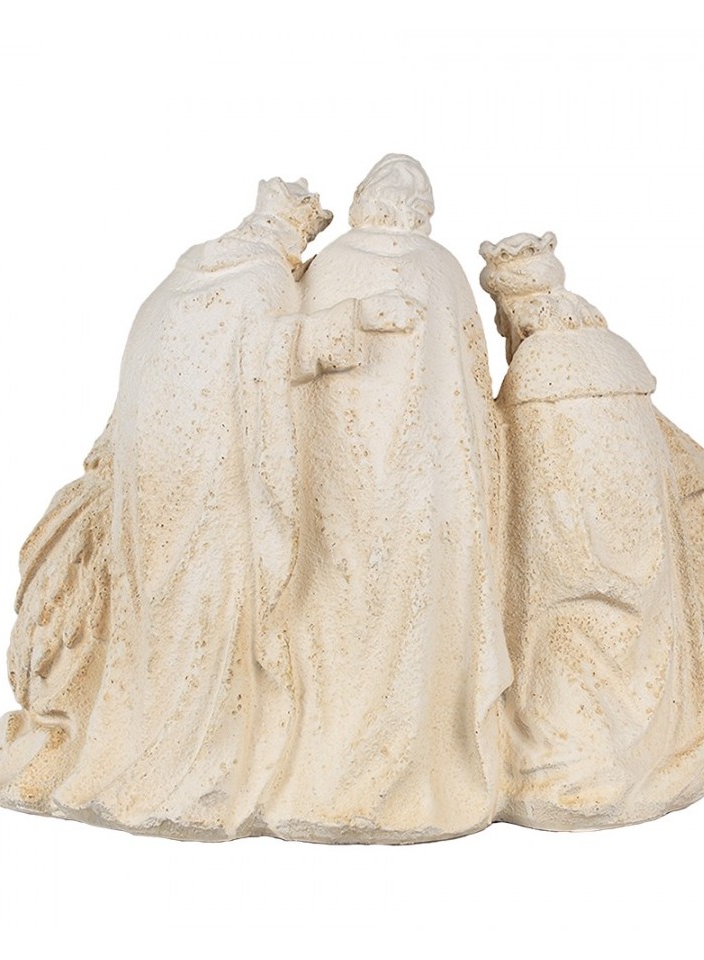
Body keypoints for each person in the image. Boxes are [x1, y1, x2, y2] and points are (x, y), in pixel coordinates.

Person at [0, 178, 373, 837]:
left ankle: (141, 748)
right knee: (209, 622)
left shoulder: (183, 279)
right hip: (214, 486)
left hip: (151, 479)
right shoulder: (262, 283)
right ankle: (193, 771)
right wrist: (331, 333)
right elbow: (258, 365)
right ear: (294, 237)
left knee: (157, 615)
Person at [259, 155, 512, 842]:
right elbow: (474, 379)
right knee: (410, 608)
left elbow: (288, 366)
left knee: (347, 606)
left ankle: (338, 769)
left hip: (352, 477)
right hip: (420, 479)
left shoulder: (335, 267)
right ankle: (411, 774)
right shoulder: (439, 268)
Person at [483, 231, 704, 829]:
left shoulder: (539, 368)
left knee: (564, 633)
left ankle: (578, 766)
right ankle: (640, 746)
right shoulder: (615, 352)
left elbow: (534, 472)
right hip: (640, 536)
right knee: (638, 631)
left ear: (515, 311)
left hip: (574, 543)